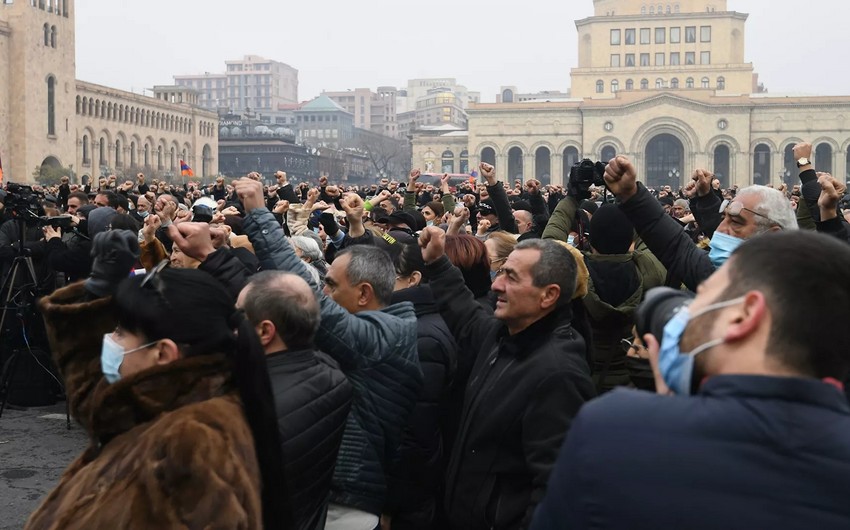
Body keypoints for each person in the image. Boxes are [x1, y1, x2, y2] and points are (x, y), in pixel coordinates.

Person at [532, 231, 850, 530]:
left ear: (742, 315)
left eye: (703, 296)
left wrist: (663, 421)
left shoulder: (611, 427)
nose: (687, 312)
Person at [26, 232, 290, 530]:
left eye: (121, 333)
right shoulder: (165, 398)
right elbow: (97, 402)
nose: (109, 341)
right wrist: (95, 294)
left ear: (163, 352)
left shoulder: (194, 442)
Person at [235, 178, 423, 530]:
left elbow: (300, 295)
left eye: (331, 285)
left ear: (364, 294)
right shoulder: (377, 328)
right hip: (328, 492)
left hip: (346, 506)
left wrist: (259, 215)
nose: (323, 290)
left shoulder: (386, 338)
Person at [419, 227, 596, 530]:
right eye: (500, 273)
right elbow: (464, 311)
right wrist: (437, 262)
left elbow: (556, 488)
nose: (496, 286)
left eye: (511, 277)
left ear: (548, 295)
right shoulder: (503, 336)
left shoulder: (557, 374)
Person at [238, 271, 353, 530]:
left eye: (237, 316)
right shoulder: (332, 375)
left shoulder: (253, 410)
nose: (231, 328)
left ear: (265, 331)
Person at [603, 156, 797, 291]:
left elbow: (678, 248)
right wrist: (631, 195)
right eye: (724, 218)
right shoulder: (724, 277)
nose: (720, 230)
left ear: (773, 236)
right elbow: (676, 247)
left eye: (735, 222)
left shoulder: (801, 306)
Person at [382, 241, 458, 530]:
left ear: (413, 279)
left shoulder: (419, 337)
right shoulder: (410, 323)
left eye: (387, 276)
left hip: (409, 495)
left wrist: (391, 502)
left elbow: (414, 432)